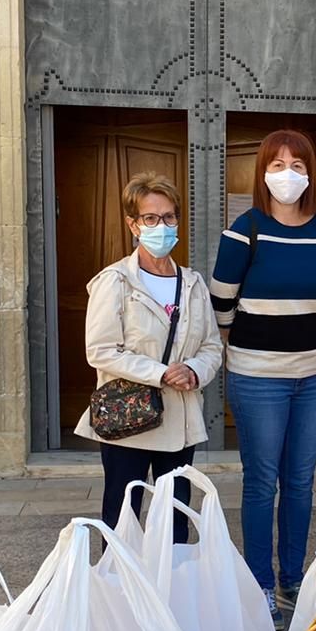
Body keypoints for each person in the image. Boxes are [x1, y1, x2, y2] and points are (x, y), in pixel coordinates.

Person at [210, 130, 316, 626]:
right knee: (262, 482)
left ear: (310, 173)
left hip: (314, 373)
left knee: (301, 482)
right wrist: (244, 345)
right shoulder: (246, 228)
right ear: (263, 170)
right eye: (278, 163)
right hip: (258, 375)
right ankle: (260, 583)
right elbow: (222, 300)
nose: (289, 174)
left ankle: (294, 581)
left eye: (299, 165)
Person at [76, 172, 222, 544]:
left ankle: (172, 589)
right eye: (151, 218)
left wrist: (192, 370)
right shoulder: (115, 282)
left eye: (169, 217)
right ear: (133, 224)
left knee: (177, 515)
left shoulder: (192, 283)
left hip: (180, 419)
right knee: (123, 516)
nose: (161, 226)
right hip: (131, 418)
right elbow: (101, 350)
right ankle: (119, 589)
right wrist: (161, 374)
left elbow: (211, 346)